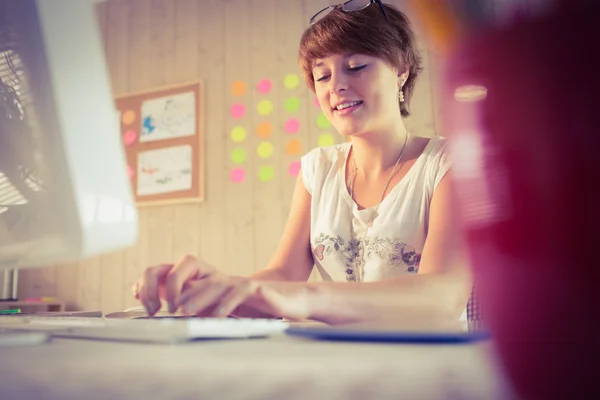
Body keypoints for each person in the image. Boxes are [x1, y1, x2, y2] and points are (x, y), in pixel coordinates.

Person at [133, 0, 475, 325]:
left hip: (431, 368)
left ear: (401, 70)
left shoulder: (447, 163)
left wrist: (305, 298)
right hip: (337, 364)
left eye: (355, 67)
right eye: (322, 76)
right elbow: (282, 276)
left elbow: (442, 297)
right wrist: (218, 288)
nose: (337, 86)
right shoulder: (318, 169)